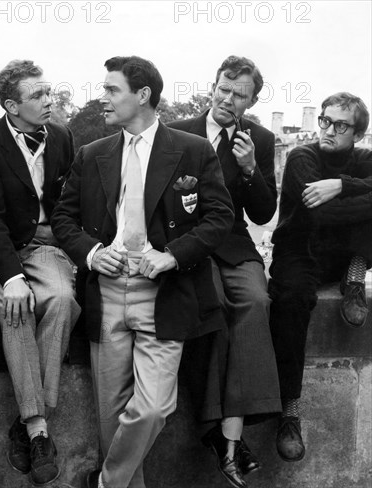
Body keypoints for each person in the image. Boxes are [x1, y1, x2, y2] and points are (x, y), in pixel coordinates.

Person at [51, 55, 234, 488]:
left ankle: (106, 482)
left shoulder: (192, 150)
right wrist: (93, 253)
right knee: (110, 415)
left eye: (112, 89)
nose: (104, 98)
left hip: (164, 295)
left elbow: (219, 218)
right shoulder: (91, 154)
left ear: (144, 95)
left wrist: (173, 254)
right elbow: (63, 219)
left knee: (153, 408)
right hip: (108, 294)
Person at [0, 59, 81, 486]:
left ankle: (29, 418)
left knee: (63, 300)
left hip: (48, 244)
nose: (49, 101)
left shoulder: (63, 137)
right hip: (2, 248)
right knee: (16, 308)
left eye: (48, 92)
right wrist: (11, 277)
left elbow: (69, 203)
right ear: (12, 106)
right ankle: (37, 428)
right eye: (38, 96)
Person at [168, 55, 281, 487]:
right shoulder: (179, 133)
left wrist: (252, 169)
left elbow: (264, 212)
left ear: (252, 100)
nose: (228, 100)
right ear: (212, 86)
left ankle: (228, 432)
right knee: (211, 307)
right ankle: (221, 437)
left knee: (255, 302)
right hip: (190, 244)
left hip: (234, 243)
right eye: (223, 90)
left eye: (240, 95)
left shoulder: (261, 140)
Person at [269, 92, 372, 463]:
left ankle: (355, 277)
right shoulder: (301, 156)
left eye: (340, 125)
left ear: (358, 134)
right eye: (324, 121)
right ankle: (289, 412)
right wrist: (360, 190)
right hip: (300, 250)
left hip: (343, 253)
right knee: (290, 303)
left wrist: (342, 185)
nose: (328, 130)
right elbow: (320, 216)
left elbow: (335, 207)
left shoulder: (365, 158)